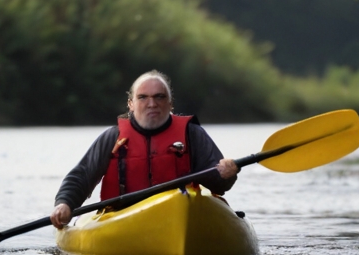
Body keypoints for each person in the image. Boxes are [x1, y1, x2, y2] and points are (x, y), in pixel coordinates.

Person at [50, 70, 239, 229]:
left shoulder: (193, 134)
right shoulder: (113, 138)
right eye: (143, 97)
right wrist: (64, 204)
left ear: (170, 103)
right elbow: (81, 176)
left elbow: (220, 185)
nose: (152, 103)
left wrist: (227, 174)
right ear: (131, 104)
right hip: (123, 218)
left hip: (179, 215)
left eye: (159, 97)